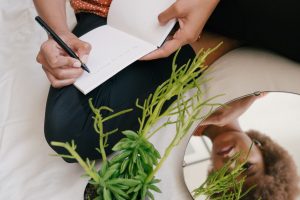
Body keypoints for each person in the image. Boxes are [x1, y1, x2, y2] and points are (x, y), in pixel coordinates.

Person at [33, 0, 299, 162]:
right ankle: (216, 41)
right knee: (72, 132)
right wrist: (58, 32)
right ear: (262, 148)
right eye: (247, 167)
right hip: (111, 11)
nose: (230, 162)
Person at [193, 94, 299, 199]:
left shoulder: (181, 127)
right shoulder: (257, 88)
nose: (231, 164)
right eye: (246, 166)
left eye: (226, 176)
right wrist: (252, 95)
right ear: (262, 150)